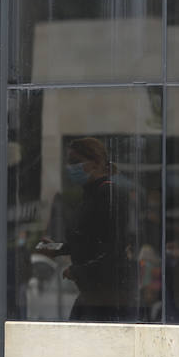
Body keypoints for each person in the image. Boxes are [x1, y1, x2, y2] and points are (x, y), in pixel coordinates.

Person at [35, 136, 138, 322]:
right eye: (69, 162)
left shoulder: (110, 195)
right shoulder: (91, 195)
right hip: (93, 293)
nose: (70, 168)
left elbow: (115, 249)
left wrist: (78, 272)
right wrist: (57, 249)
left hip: (108, 297)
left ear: (96, 163)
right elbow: (87, 242)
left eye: (75, 162)